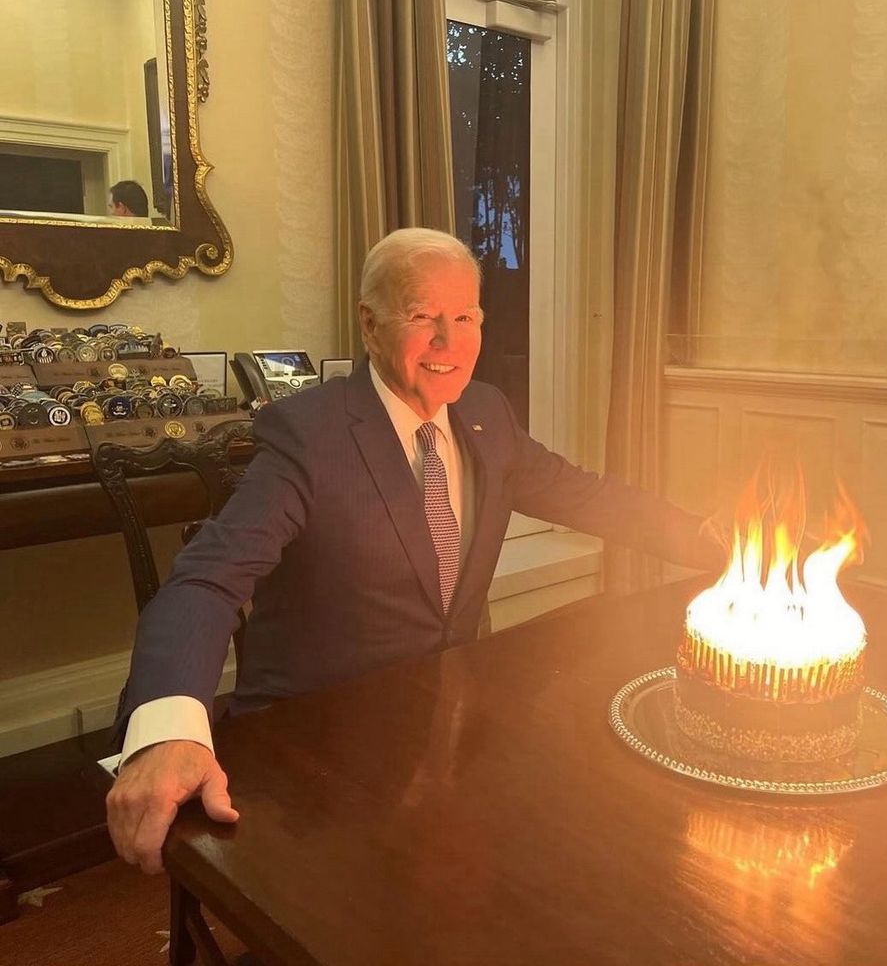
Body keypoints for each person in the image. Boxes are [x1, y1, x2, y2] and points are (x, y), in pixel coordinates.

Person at [106, 227, 722, 874]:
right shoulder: (311, 434)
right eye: (422, 316)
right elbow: (207, 581)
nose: (447, 343)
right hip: (318, 742)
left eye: (464, 317)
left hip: (455, 724)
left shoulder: (486, 413)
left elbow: (588, 497)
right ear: (370, 325)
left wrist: (707, 538)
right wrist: (169, 727)